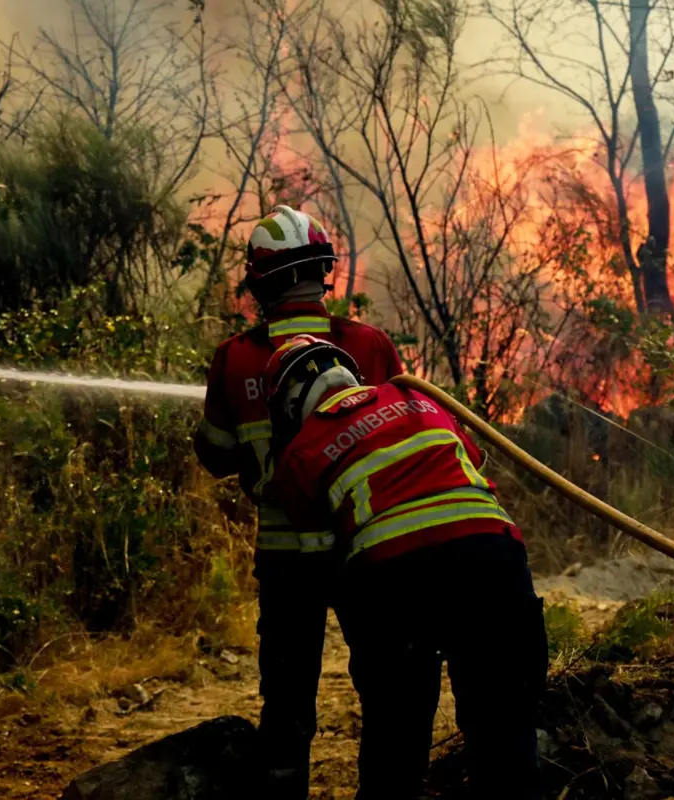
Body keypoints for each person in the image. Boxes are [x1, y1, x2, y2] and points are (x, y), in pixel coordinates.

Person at [263, 335, 549, 800]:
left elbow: (319, 565)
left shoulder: (301, 453)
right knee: (505, 727)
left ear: (291, 403)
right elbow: (469, 464)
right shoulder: (420, 399)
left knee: (395, 740)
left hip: (393, 580)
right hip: (492, 559)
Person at [192, 205, 404, 799]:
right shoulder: (369, 345)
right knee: (387, 690)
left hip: (285, 563)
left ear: (260, 282)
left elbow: (215, 454)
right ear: (325, 271)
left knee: (286, 701)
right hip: (364, 550)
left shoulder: (234, 358)